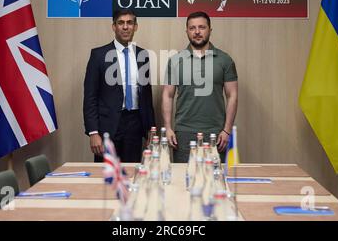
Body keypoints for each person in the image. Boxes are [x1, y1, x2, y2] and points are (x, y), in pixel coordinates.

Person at [162, 11, 238, 162]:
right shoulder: (176, 60)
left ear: (210, 29)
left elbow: (232, 95)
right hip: (183, 134)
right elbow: (167, 95)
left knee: (216, 181)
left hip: (216, 134)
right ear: (187, 31)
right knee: (183, 181)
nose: (197, 32)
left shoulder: (225, 60)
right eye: (192, 28)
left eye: (202, 27)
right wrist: (168, 128)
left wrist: (227, 130)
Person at [84, 9, 155, 162]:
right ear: (114, 26)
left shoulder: (143, 55)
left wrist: (151, 129)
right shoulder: (98, 55)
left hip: (135, 125)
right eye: (121, 23)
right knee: (107, 177)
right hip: (107, 128)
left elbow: (147, 96)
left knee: (131, 174)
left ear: (135, 27)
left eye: (129, 23)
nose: (125, 27)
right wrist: (93, 132)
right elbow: (90, 97)